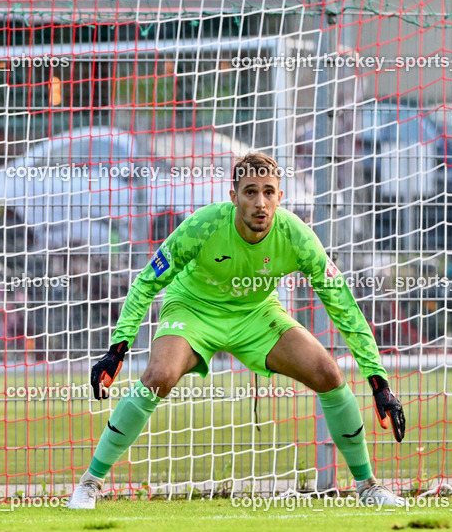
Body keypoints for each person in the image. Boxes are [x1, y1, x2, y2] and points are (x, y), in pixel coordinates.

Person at [67, 152, 407, 508]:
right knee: (160, 375)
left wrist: (378, 380)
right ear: (233, 196)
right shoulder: (203, 226)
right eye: (249, 192)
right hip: (193, 310)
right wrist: (117, 348)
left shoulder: (297, 237)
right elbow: (145, 283)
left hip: (256, 315)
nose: (260, 203)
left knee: (328, 373)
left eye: (268, 192)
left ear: (279, 195)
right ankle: (90, 483)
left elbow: (344, 306)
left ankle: (368, 487)